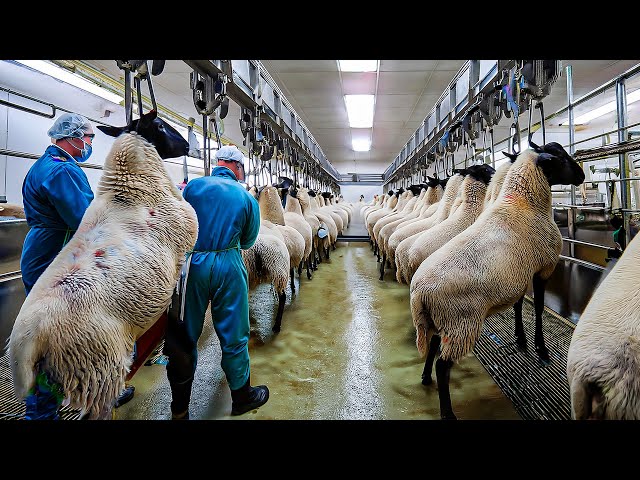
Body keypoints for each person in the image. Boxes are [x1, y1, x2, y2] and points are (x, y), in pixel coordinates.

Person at [20, 112, 134, 419]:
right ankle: (42, 412)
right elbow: (84, 220)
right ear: (71, 138)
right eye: (88, 137)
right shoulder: (62, 172)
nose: (89, 143)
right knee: (55, 342)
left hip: (43, 254)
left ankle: (92, 391)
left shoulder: (45, 165)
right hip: (55, 258)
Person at [163, 144, 268, 419]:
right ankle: (242, 397)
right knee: (235, 333)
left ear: (218, 162)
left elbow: (180, 222)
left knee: (183, 334)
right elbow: (248, 240)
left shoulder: (192, 188)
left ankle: (179, 409)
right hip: (228, 264)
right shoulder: (246, 197)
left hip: (192, 263)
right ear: (236, 167)